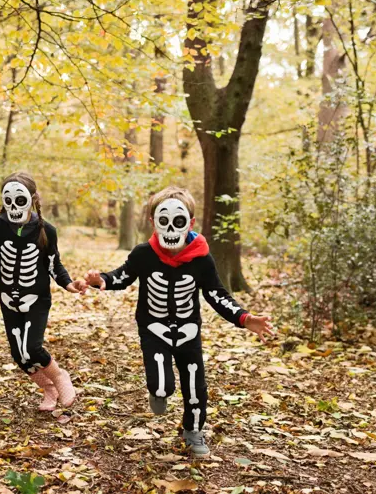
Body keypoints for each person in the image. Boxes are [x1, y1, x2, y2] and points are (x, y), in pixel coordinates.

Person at [84, 186, 273, 457]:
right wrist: (101, 279)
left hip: (188, 330)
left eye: (179, 221)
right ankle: (159, 390)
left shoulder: (202, 258)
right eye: (164, 220)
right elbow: (123, 276)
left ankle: (193, 431)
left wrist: (244, 318)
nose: (171, 228)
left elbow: (216, 294)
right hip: (153, 328)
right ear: (153, 222)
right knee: (161, 388)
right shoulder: (143, 254)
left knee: (195, 385)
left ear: (190, 222)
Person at [0, 172, 87, 411]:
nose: (13, 206)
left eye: (19, 200)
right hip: (8, 300)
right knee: (19, 355)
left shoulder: (46, 230)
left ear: (31, 198)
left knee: (32, 348)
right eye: (8, 201)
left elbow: (53, 264)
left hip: (36, 299)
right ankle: (48, 389)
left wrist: (69, 284)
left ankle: (60, 377)